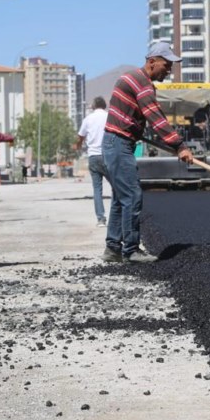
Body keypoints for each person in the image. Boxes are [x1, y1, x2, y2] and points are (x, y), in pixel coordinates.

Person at [101, 42, 194, 264]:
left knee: (120, 198)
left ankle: (113, 248)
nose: (169, 70)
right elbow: (155, 116)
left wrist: (137, 128)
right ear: (152, 62)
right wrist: (179, 145)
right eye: (166, 64)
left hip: (117, 143)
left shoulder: (133, 79)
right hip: (118, 144)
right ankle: (131, 250)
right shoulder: (141, 82)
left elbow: (140, 117)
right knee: (132, 195)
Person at [75, 96, 110, 227]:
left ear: (93, 107)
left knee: (97, 189)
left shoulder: (88, 119)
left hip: (94, 157)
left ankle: (101, 219)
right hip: (108, 155)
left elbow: (80, 136)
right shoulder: (109, 117)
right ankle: (119, 216)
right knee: (117, 187)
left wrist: (78, 145)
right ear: (105, 106)